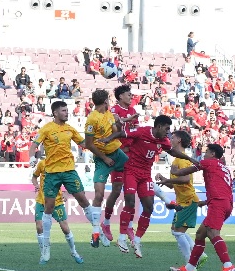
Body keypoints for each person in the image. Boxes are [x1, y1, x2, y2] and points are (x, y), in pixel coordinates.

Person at [99, 115, 198, 258]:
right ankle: (121, 237)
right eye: (166, 128)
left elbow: (173, 151)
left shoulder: (163, 141)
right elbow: (122, 133)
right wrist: (108, 139)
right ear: (158, 126)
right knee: (130, 201)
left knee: (149, 207)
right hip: (131, 171)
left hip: (145, 175)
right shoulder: (142, 132)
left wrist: (189, 158)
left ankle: (137, 240)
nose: (168, 132)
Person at [29, 101, 95, 264]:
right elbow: (34, 145)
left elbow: (84, 144)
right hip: (52, 173)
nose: (67, 113)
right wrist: (32, 157)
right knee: (48, 209)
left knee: (83, 199)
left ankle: (96, 228)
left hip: (69, 171)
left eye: (67, 110)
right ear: (55, 113)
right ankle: (45, 250)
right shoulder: (46, 129)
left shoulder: (70, 128)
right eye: (64, 110)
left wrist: (97, 142)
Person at [164, 143, 235, 271]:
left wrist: (174, 172)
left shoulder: (209, 163)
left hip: (218, 203)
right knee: (200, 234)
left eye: (207, 152)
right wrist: (205, 202)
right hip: (226, 203)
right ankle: (190, 268)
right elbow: (222, 187)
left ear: (213, 154)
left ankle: (227, 265)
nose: (205, 154)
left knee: (212, 232)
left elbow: (186, 172)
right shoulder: (224, 168)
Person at [154, 131, 208, 269]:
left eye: (173, 137)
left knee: (178, 232)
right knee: (176, 231)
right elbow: (174, 184)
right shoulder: (178, 160)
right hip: (183, 200)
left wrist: (168, 179)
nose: (170, 140)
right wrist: (164, 181)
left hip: (188, 200)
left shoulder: (182, 160)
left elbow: (184, 179)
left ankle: (191, 263)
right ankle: (199, 255)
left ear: (178, 140)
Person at [83, 89, 129, 248]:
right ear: (105, 102)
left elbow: (117, 133)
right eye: (108, 100)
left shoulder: (109, 115)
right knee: (99, 193)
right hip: (103, 159)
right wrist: (104, 158)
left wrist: (117, 122)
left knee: (138, 171)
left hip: (118, 154)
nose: (110, 103)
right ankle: (96, 231)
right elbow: (88, 145)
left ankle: (163, 197)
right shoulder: (91, 119)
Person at [101, 84, 140, 243]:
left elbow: (135, 131)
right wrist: (127, 120)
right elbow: (116, 124)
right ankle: (106, 223)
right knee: (116, 190)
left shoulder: (132, 111)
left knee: (131, 193)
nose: (131, 97)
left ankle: (129, 226)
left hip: (132, 155)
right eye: (128, 94)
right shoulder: (114, 110)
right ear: (121, 97)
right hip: (119, 154)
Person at [32, 160, 78, 265]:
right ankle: (44, 253)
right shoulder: (42, 164)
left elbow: (67, 181)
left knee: (65, 229)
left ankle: (74, 252)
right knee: (39, 227)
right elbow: (34, 177)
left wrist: (65, 193)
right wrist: (36, 185)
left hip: (56, 202)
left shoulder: (61, 164)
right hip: (41, 201)